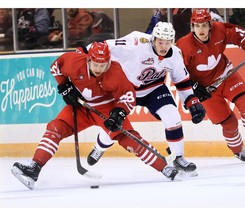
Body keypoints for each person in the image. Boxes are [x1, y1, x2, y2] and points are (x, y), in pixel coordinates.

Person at [11, 42, 181, 190]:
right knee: (55, 127)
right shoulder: (73, 61)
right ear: (88, 60)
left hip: (106, 108)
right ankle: (34, 168)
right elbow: (55, 67)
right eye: (96, 64)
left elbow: (128, 95)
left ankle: (163, 167)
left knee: (129, 138)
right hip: (81, 106)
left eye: (103, 65)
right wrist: (64, 86)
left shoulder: (115, 71)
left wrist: (119, 112)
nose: (99, 69)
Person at [82, 22, 206, 176]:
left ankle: (178, 158)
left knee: (173, 116)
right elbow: (104, 46)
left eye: (168, 42)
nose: (164, 46)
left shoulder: (175, 55)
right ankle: (99, 147)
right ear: (153, 39)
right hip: (125, 90)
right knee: (114, 125)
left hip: (154, 89)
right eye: (160, 41)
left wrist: (191, 101)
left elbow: (181, 82)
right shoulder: (136, 42)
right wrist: (80, 54)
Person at [176, 9, 245, 162]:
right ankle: (238, 150)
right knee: (229, 123)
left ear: (210, 25)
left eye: (204, 25)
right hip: (205, 90)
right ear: (192, 26)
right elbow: (177, 72)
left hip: (226, 76)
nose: (201, 29)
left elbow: (238, 33)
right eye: (197, 25)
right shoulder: (183, 45)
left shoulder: (219, 30)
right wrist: (193, 87)